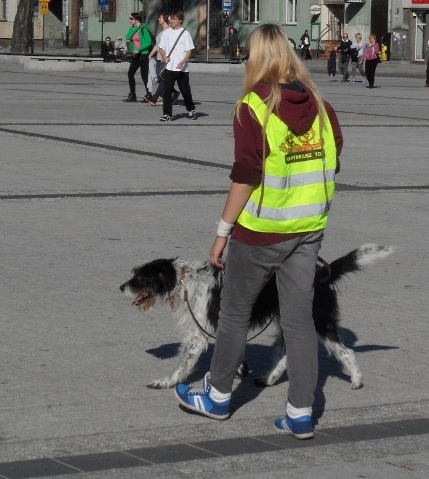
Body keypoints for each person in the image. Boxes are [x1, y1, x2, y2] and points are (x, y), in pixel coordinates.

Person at [174, 23, 343, 441]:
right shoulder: (322, 104)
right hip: (309, 230)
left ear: (259, 58)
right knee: (299, 321)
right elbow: (335, 158)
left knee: (234, 314)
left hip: (261, 231)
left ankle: (216, 396)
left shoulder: (253, 106)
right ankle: (301, 413)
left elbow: (246, 174)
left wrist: (222, 231)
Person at [158, 10, 197, 121]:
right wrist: (164, 56)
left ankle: (191, 109)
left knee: (185, 91)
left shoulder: (185, 33)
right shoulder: (166, 33)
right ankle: (167, 114)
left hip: (182, 69)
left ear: (180, 20)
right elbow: (161, 48)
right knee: (167, 91)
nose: (171, 21)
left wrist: (183, 61)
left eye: (174, 19)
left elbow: (189, 50)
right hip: (169, 67)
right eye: (170, 18)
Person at [145, 12, 179, 106]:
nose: (158, 19)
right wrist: (150, 55)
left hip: (166, 59)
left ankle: (155, 98)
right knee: (161, 79)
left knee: (163, 79)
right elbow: (157, 45)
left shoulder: (169, 31)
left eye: (160, 17)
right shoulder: (161, 30)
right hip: (159, 58)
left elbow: (170, 45)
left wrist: (166, 57)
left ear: (164, 19)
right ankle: (173, 93)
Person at [122, 13, 155, 103]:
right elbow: (128, 37)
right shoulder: (132, 28)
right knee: (130, 73)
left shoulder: (144, 29)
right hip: (136, 55)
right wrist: (136, 27)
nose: (129, 20)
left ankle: (149, 95)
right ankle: (133, 95)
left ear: (137, 20)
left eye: (131, 18)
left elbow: (148, 42)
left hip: (144, 55)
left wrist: (138, 49)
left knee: (144, 76)